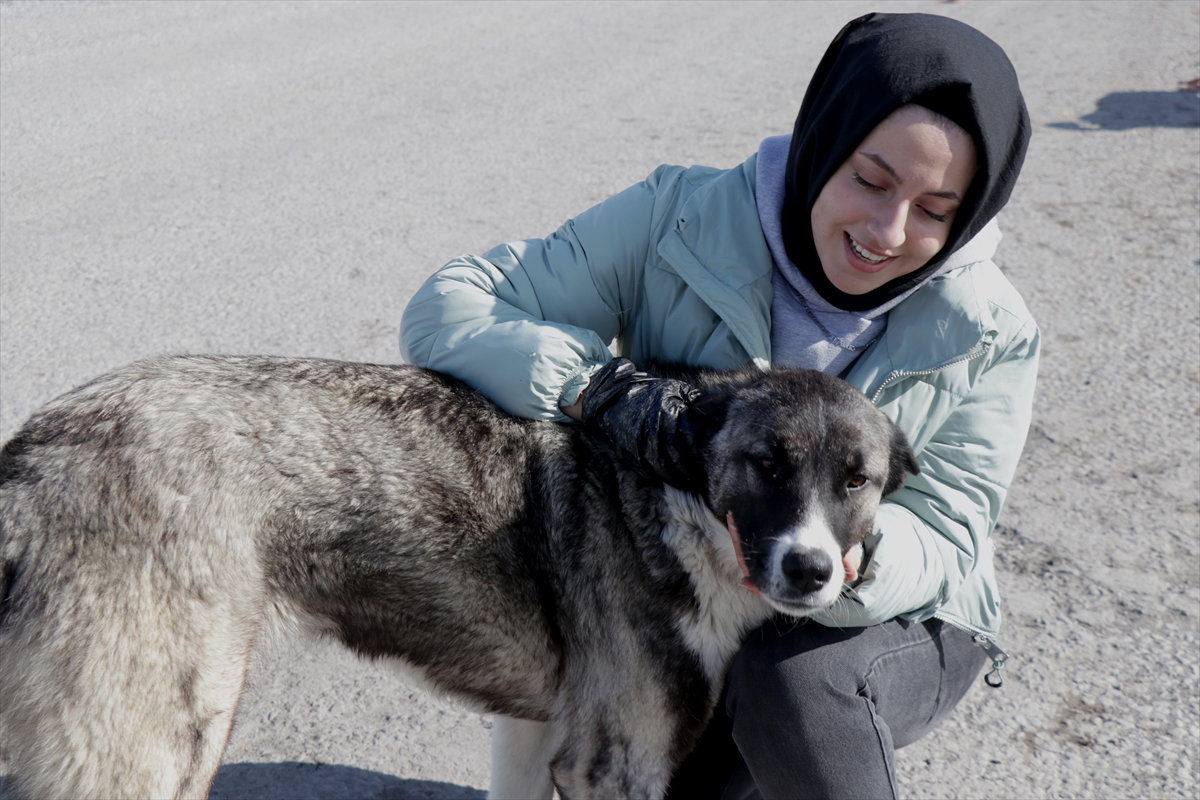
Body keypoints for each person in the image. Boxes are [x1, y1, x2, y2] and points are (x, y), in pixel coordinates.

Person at [400, 12, 1037, 800]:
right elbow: (450, 308)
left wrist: (853, 551)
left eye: (936, 209)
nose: (887, 230)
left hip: (893, 617)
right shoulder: (681, 218)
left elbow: (950, 529)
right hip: (689, 589)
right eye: (869, 180)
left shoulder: (991, 328)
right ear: (821, 143)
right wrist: (596, 389)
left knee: (792, 688)